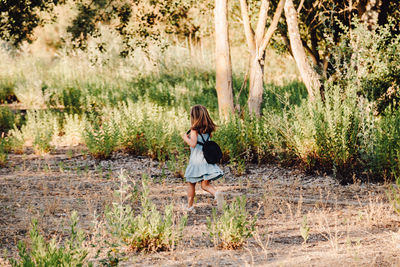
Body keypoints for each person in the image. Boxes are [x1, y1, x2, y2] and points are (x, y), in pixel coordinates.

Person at [181, 104, 224, 212]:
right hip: (207, 160)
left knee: (191, 183)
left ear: (193, 117)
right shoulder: (208, 130)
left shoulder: (194, 130)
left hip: (196, 161)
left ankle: (190, 207)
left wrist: (185, 138)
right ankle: (216, 193)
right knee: (205, 185)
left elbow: (193, 144)